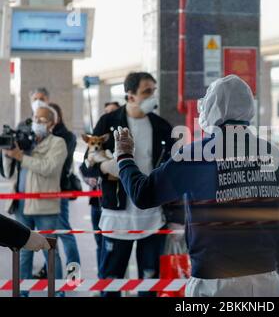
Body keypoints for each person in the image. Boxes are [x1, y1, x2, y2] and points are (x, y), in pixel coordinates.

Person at [114, 75, 279, 297]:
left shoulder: (194, 155)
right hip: (267, 281)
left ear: (211, 109)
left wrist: (124, 157)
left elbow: (143, 195)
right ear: (249, 107)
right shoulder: (271, 154)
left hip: (214, 284)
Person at [80, 72, 175, 297]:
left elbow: (173, 169)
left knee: (150, 285)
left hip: (153, 218)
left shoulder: (162, 127)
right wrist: (104, 168)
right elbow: (86, 165)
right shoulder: (109, 122)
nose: (153, 95)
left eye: (154, 90)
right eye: (146, 91)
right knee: (111, 284)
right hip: (116, 219)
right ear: (130, 95)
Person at [0, 105, 67, 296]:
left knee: (49, 250)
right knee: (22, 250)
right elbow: (8, 173)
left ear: (52, 124)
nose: (37, 122)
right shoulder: (23, 140)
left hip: (45, 206)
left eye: (42, 119)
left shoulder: (58, 143)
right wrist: (8, 154)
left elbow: (49, 168)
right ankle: (22, 291)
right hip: (21, 205)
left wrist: (21, 157)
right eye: (35, 118)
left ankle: (59, 291)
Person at [33, 103, 80, 280]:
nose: (39, 122)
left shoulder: (65, 137)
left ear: (55, 119)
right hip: (47, 192)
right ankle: (52, 271)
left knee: (65, 234)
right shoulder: (42, 136)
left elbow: (56, 166)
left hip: (59, 191)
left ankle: (73, 274)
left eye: (43, 119)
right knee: (52, 236)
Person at [80, 101, 121, 276]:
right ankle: (101, 278)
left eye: (113, 112)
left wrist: (102, 170)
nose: (108, 116)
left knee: (113, 245)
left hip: (114, 202)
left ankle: (110, 280)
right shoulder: (93, 143)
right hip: (97, 201)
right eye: (106, 112)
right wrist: (92, 175)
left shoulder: (119, 143)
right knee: (99, 242)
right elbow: (84, 168)